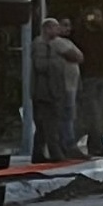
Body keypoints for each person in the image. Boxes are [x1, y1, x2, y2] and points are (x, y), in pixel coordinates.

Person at [73, 7, 103, 160]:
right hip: (89, 78)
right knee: (93, 114)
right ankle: (97, 147)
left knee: (98, 114)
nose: (97, 19)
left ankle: (93, 145)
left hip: (102, 76)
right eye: (93, 16)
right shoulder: (81, 35)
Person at [31, 18, 67, 163]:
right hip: (44, 91)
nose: (58, 31)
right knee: (49, 123)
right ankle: (55, 153)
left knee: (44, 125)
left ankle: (38, 153)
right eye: (54, 28)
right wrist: (57, 61)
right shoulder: (40, 44)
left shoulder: (50, 45)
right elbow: (40, 65)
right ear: (46, 29)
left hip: (51, 89)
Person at [51, 18, 86, 160]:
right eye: (64, 25)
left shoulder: (68, 42)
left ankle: (68, 143)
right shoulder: (56, 42)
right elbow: (77, 56)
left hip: (72, 84)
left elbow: (80, 57)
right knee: (66, 116)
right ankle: (68, 145)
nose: (68, 28)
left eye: (69, 25)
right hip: (63, 85)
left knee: (70, 115)